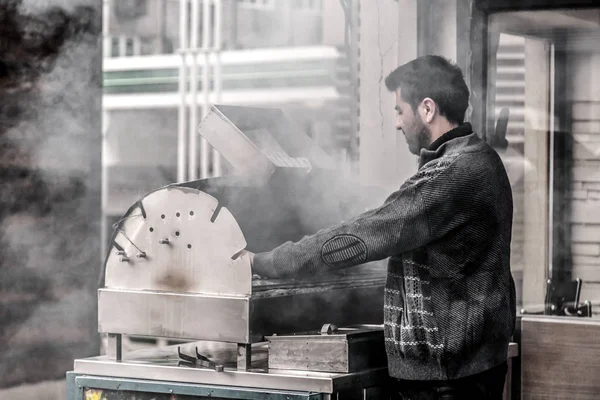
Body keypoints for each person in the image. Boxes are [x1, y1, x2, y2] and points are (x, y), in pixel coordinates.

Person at [243, 55, 516, 400]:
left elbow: (367, 233)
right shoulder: (477, 159)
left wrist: (264, 263)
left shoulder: (453, 174)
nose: (398, 123)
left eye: (400, 111)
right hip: (466, 368)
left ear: (427, 109)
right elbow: (398, 218)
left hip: (447, 378)